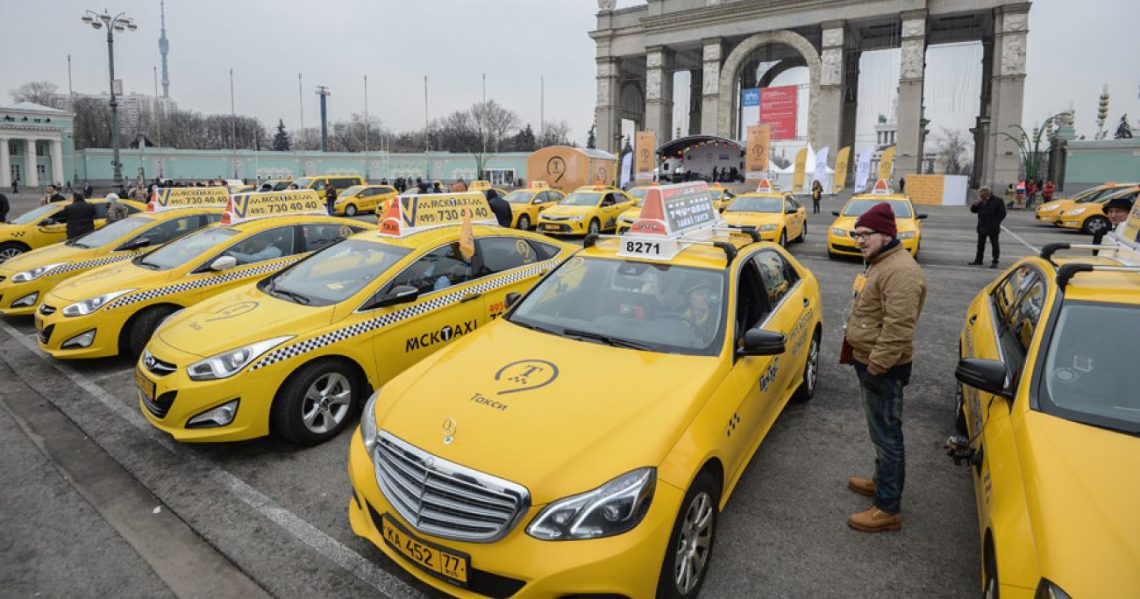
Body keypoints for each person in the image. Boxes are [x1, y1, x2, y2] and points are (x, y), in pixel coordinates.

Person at [843, 202, 926, 533]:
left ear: (887, 234)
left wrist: (876, 365)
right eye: (857, 234)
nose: (860, 240)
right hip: (869, 360)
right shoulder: (881, 261)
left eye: (867, 234)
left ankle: (888, 507)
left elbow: (899, 327)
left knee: (888, 436)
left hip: (883, 367)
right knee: (880, 433)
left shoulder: (900, 271)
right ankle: (880, 482)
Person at [969, 186, 1006, 268]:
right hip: (982, 226)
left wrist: (995, 223)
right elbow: (973, 210)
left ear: (986, 193)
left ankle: (995, 261)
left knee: (995, 245)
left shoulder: (998, 201)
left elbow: (1002, 214)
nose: (979, 196)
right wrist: (976, 203)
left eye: (981, 194)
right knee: (980, 245)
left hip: (993, 227)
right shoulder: (981, 200)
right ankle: (978, 260)